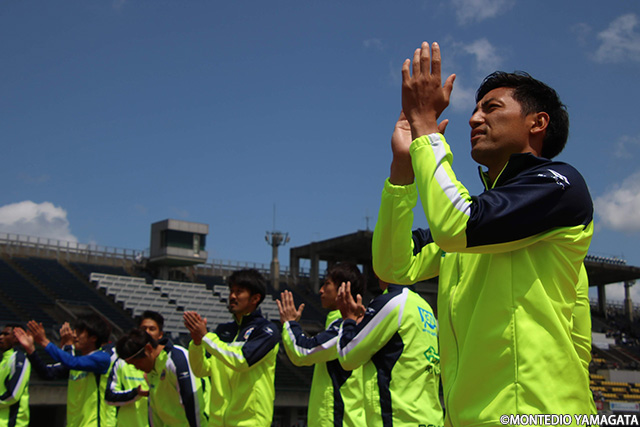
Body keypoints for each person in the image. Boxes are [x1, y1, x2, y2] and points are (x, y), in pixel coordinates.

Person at [372, 42, 595, 425]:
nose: (474, 119)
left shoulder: (560, 184)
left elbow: (457, 224)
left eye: (491, 108)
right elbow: (394, 267)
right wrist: (402, 170)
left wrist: (426, 129)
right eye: (475, 110)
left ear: (537, 122)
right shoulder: (483, 220)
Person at [335, 277, 443, 427]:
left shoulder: (391, 301)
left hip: (398, 421)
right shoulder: (424, 306)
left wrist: (348, 319)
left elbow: (347, 355)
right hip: (430, 419)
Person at [184, 268, 279, 427]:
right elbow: (201, 370)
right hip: (217, 423)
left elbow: (241, 361)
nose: (232, 296)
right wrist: (197, 344)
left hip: (250, 423)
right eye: (231, 291)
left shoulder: (266, 330)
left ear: (255, 298)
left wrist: (206, 337)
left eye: (239, 292)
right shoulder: (223, 331)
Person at [278, 262, 365, 427]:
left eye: (326, 284)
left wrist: (290, 324)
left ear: (343, 290)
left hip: (338, 421)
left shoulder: (345, 326)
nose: (320, 290)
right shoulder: (351, 324)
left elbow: (302, 351)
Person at [14, 314, 117, 427]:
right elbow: (47, 373)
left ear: (93, 337)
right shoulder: (78, 363)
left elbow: (71, 361)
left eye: (80, 332)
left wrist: (44, 341)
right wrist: (31, 350)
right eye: (75, 331)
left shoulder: (102, 358)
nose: (75, 335)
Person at [115, 328, 206, 427]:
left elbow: (192, 401)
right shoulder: (151, 370)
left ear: (149, 348)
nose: (137, 368)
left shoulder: (177, 359)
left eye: (137, 363)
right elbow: (154, 411)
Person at [105, 311, 168, 427]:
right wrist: (135, 393)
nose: (147, 332)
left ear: (160, 335)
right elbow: (109, 396)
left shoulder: (168, 362)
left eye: (152, 329)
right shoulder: (122, 361)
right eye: (144, 329)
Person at [0, 324, 30, 427]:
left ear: (16, 338)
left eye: (6, 334)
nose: (1, 337)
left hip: (12, 423)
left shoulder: (19, 359)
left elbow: (13, 394)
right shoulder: (3, 361)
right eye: (1, 334)